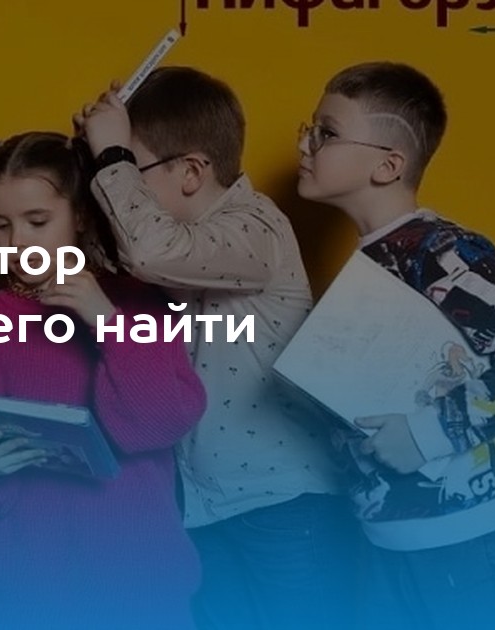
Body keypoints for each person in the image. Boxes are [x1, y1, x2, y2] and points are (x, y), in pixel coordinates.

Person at [296, 61, 495, 630]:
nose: (304, 143)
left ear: (388, 165)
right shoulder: (372, 260)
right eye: (310, 128)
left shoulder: (442, 252)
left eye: (326, 132)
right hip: (388, 548)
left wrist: (427, 432)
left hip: (474, 544)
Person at [75, 67, 356, 629]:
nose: (119, 186)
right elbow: (124, 252)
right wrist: (90, 157)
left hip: (284, 503)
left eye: (133, 168)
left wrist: (112, 155)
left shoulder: (257, 227)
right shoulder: (179, 245)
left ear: (191, 172)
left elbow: (150, 250)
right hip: (208, 504)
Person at [0, 131, 207, 630]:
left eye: (38, 221)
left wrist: (106, 321)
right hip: (26, 591)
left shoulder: (137, 301)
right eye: (0, 225)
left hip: (141, 585)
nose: (17, 242)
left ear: (80, 215)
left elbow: (160, 422)